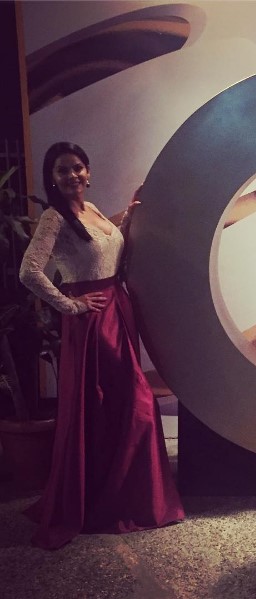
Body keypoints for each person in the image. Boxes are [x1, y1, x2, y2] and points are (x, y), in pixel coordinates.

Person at [19, 142, 184, 549]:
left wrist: (130, 215)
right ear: (52, 178)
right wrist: (70, 304)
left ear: (88, 172)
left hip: (118, 310)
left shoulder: (92, 210)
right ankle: (119, 501)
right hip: (92, 322)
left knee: (119, 407)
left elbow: (109, 252)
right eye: (62, 170)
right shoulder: (55, 218)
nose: (71, 175)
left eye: (77, 167)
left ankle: (124, 496)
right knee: (129, 403)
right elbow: (29, 271)